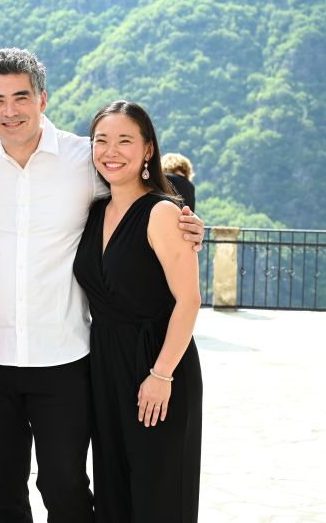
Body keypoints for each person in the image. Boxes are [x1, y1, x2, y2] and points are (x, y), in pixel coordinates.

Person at [0, 48, 204, 523]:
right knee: (1, 491)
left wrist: (189, 223)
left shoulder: (83, 160)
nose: (11, 111)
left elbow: (142, 198)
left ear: (42, 98)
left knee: (66, 487)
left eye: (22, 97)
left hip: (65, 358)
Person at [73, 101, 202, 522]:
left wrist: (162, 374)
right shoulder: (94, 210)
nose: (112, 151)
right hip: (105, 363)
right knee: (114, 490)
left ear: (148, 150)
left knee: (158, 492)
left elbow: (189, 300)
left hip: (158, 361)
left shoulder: (163, 212)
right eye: (102, 141)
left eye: (125, 140)